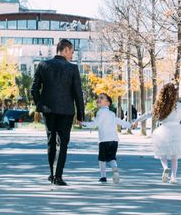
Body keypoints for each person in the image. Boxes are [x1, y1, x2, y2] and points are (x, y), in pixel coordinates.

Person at [31, 39, 85, 186]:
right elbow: (78, 93)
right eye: (72, 52)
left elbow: (34, 89)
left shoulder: (43, 65)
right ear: (65, 50)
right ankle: (58, 176)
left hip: (48, 110)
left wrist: (41, 105)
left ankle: (50, 173)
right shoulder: (72, 69)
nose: (72, 56)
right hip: (67, 111)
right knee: (64, 144)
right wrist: (81, 114)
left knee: (51, 141)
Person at [132, 83, 181, 184]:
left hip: (164, 130)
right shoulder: (178, 105)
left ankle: (165, 167)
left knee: (162, 153)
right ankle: (174, 177)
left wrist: (136, 120)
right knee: (174, 156)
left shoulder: (160, 106)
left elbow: (147, 114)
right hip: (177, 130)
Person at [82, 92, 132, 184]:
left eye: (101, 98)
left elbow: (95, 124)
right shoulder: (112, 114)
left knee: (102, 159)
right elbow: (120, 122)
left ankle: (103, 177)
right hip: (114, 140)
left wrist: (83, 124)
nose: (98, 99)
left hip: (104, 140)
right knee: (112, 158)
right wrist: (130, 125)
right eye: (98, 98)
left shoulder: (100, 112)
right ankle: (115, 169)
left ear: (107, 103)